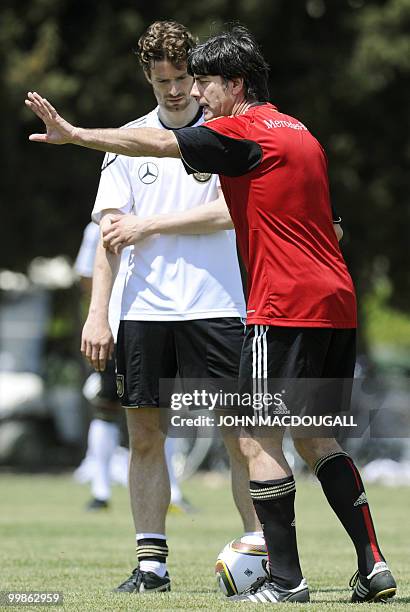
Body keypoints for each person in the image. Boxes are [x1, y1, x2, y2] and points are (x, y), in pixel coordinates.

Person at [25, 24, 397, 604]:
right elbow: (331, 225)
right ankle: (373, 567)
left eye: (205, 83)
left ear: (236, 84)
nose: (197, 95)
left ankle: (286, 580)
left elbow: (161, 145)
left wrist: (75, 135)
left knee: (255, 440)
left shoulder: (239, 132)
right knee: (318, 440)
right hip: (336, 302)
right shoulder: (300, 133)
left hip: (280, 305)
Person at [26, 21, 262, 594]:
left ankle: (263, 554)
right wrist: (97, 313)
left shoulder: (227, 134)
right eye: (163, 82)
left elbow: (233, 214)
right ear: (149, 79)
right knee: (145, 436)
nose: (176, 91)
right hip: (147, 313)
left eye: (183, 79)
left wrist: (150, 223)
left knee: (242, 435)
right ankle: (152, 566)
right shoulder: (126, 142)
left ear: (197, 76)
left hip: (219, 305)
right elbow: (110, 234)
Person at [75, 222, 191, 513]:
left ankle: (173, 490)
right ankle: (100, 490)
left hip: (157, 323)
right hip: (115, 326)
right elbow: (86, 275)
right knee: (106, 407)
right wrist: (105, 309)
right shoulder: (97, 228)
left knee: (167, 409)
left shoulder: (164, 217)